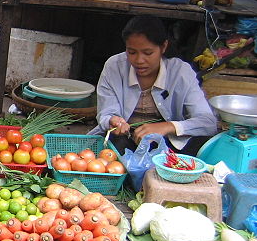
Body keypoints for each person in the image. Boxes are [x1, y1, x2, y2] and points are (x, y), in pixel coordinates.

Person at [91, 15, 217, 156]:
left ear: (163, 47)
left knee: (203, 145)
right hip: (124, 141)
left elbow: (208, 122)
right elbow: (106, 113)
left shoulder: (181, 72)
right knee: (115, 149)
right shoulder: (114, 66)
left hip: (168, 143)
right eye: (132, 52)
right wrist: (112, 121)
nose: (139, 60)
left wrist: (168, 126)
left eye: (148, 53)